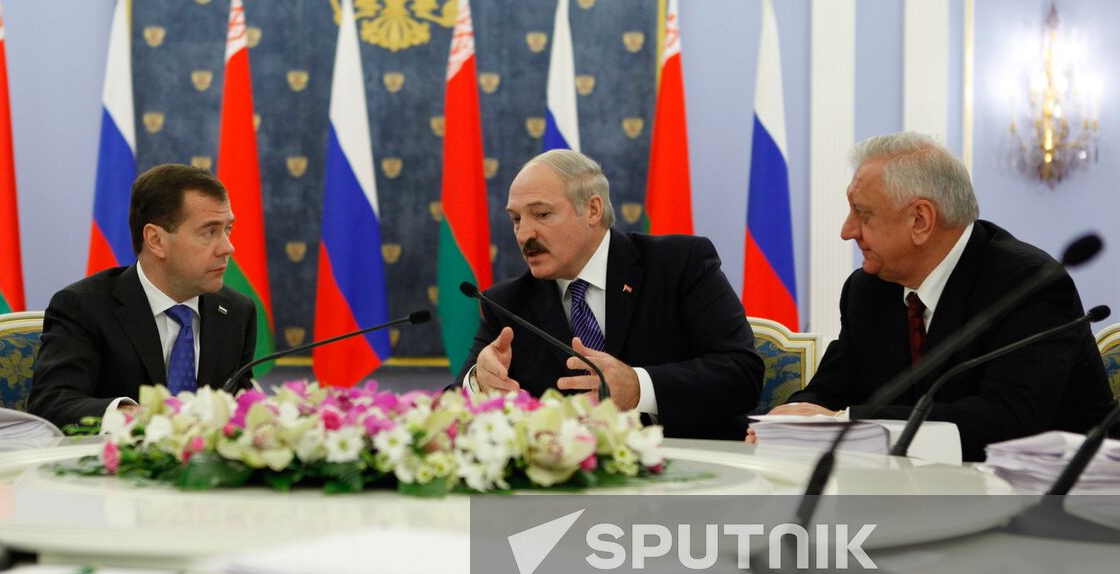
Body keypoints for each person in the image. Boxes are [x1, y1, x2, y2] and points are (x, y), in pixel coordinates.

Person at [760, 132, 1112, 461]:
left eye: (863, 214)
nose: (847, 231)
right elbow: (829, 392)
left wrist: (842, 421)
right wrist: (787, 423)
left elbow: (1007, 421)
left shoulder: (1027, 284)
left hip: (1049, 496)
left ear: (920, 220)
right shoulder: (867, 290)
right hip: (907, 493)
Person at [459, 149, 763, 440]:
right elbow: (450, 406)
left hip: (691, 470)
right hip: (567, 481)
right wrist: (478, 382)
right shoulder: (507, 302)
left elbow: (742, 374)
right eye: (516, 219)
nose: (525, 234)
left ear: (593, 209)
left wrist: (639, 387)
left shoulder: (678, 265)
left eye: (541, 214)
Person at [29, 164, 257, 427]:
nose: (228, 247)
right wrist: (136, 416)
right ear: (156, 240)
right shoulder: (84, 307)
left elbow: (240, 405)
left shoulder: (237, 312)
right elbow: (51, 402)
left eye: (228, 229)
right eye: (209, 232)